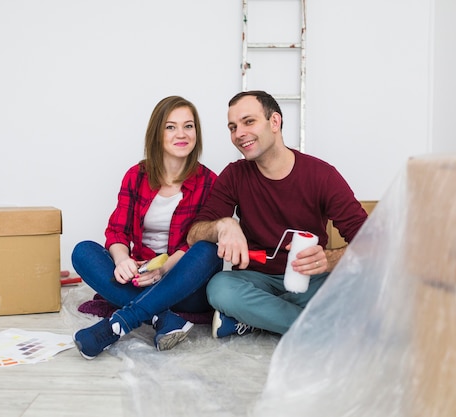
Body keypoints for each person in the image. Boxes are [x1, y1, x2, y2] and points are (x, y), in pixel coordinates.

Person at [187, 90, 368, 338]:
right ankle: (317, 329)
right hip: (256, 281)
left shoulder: (321, 175)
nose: (239, 133)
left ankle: (255, 319)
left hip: (309, 280)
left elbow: (372, 241)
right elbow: (193, 235)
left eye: (248, 122)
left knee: (358, 286)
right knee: (219, 288)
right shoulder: (234, 175)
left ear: (275, 122)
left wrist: (330, 259)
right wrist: (223, 225)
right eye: (232, 127)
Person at [72, 95, 222, 359]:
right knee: (82, 251)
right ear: (157, 133)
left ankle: (120, 323)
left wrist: (163, 269)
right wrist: (121, 261)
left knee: (209, 250)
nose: (181, 134)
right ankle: (161, 317)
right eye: (171, 126)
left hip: (181, 281)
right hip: (140, 276)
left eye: (189, 126)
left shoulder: (210, 182)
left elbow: (193, 245)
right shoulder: (136, 175)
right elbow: (117, 231)